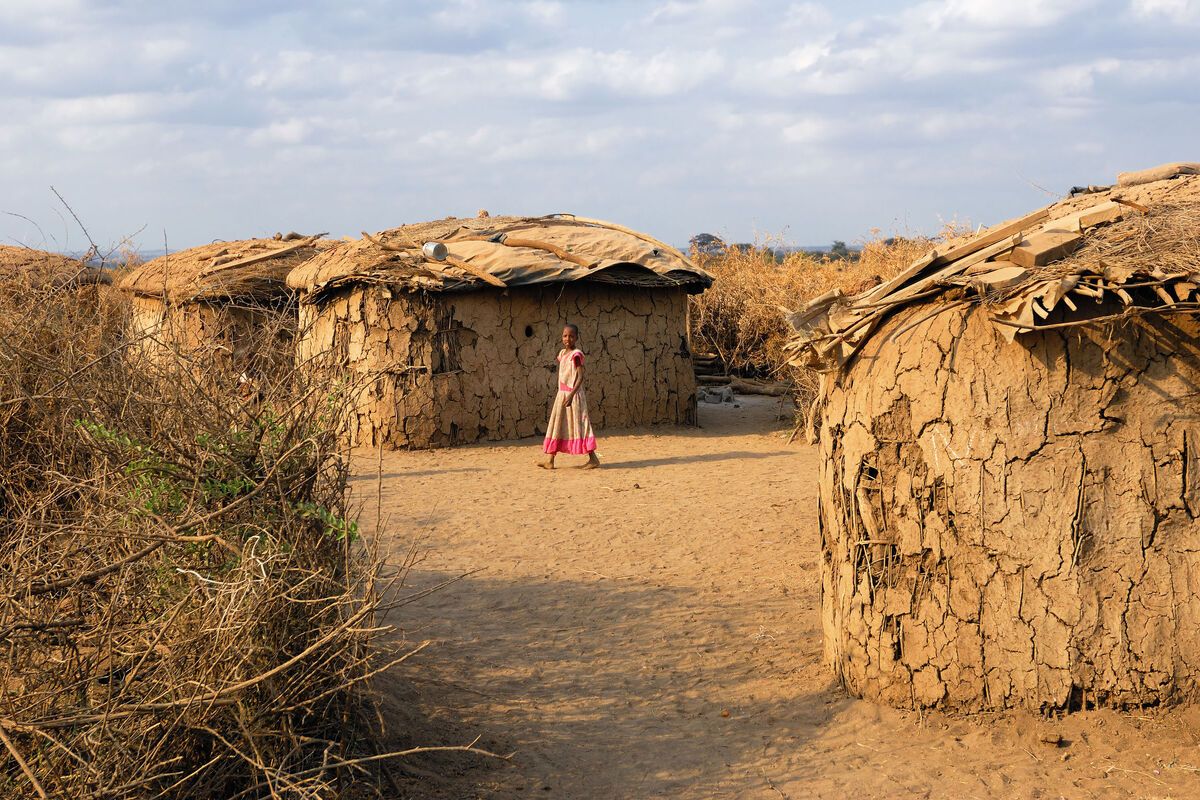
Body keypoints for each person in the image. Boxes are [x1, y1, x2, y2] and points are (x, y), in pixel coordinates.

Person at [539, 323, 600, 469]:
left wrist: (572, 395)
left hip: (574, 396)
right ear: (562, 337)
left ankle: (593, 459)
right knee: (557, 424)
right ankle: (550, 461)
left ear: (576, 338)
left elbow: (580, 377)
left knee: (581, 425)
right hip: (562, 394)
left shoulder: (576, 355)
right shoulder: (562, 354)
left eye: (571, 336)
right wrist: (565, 395)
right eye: (565, 336)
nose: (568, 339)